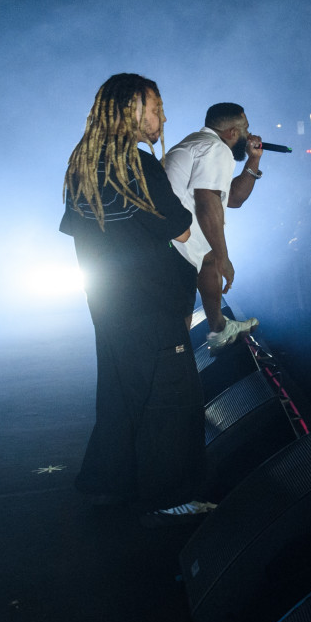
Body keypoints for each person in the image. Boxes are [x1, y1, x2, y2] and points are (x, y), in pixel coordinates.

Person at [60, 74, 210, 524]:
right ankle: (170, 497)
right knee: (170, 401)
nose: (162, 116)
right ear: (131, 111)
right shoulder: (138, 166)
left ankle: (107, 483)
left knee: (119, 397)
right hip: (152, 305)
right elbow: (180, 229)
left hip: (108, 304)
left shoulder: (83, 165)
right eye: (155, 107)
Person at [162, 102, 265, 349]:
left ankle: (219, 328)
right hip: (173, 249)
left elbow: (234, 199)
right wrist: (223, 257)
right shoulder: (216, 150)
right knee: (177, 332)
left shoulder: (199, 143)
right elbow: (207, 202)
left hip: (170, 243)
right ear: (232, 132)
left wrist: (253, 159)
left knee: (208, 260)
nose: (249, 134)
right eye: (245, 128)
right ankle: (178, 367)